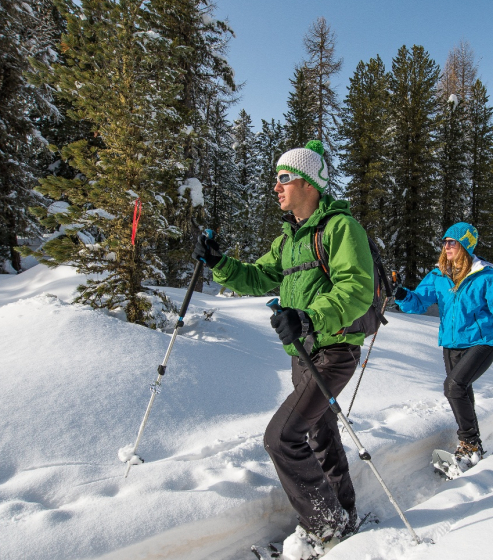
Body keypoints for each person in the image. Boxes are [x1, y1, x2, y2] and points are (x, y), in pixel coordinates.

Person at [192, 140, 374, 559]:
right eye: (276, 179)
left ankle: (324, 527)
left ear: (308, 183)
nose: (276, 186)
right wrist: (220, 263)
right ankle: (343, 515)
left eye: (284, 178)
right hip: (303, 353)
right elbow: (257, 277)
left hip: (334, 351)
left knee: (281, 437)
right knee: (319, 432)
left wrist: (310, 317)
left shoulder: (341, 228)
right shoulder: (290, 239)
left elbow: (357, 289)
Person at [394, 222, 493, 466]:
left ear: (465, 245)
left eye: (451, 242)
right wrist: (402, 294)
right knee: (462, 390)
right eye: (444, 242)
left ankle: (469, 443)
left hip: (481, 342)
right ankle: (474, 447)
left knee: (453, 387)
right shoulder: (438, 275)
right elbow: (419, 302)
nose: (446, 246)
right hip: (451, 344)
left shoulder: (484, 274)